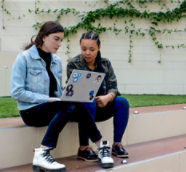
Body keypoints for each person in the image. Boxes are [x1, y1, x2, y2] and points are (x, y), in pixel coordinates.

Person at [11, 22, 114, 171]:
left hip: (52, 107)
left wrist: (68, 94)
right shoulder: (24, 58)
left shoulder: (56, 61)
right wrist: (48, 99)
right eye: (56, 39)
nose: (59, 44)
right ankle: (43, 152)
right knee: (71, 105)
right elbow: (17, 92)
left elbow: (58, 91)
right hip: (31, 111)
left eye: (61, 40)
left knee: (77, 103)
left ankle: (100, 146)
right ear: (44, 37)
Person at [67, 31, 130, 162]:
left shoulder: (106, 63)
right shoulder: (74, 64)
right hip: (82, 109)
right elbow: (75, 91)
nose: (87, 53)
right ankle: (83, 148)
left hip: (102, 105)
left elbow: (114, 87)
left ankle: (117, 144)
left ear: (99, 48)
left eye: (92, 49)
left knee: (122, 102)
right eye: (84, 49)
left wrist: (108, 97)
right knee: (87, 101)